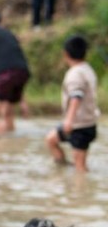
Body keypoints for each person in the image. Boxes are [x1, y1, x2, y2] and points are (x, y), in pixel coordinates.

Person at [44, 35, 99, 172]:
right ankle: (62, 168)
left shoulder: (75, 74)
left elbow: (76, 96)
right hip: (88, 122)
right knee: (51, 139)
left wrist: (69, 120)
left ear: (65, 54)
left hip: (79, 125)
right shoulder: (87, 69)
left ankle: (79, 182)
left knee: (80, 166)